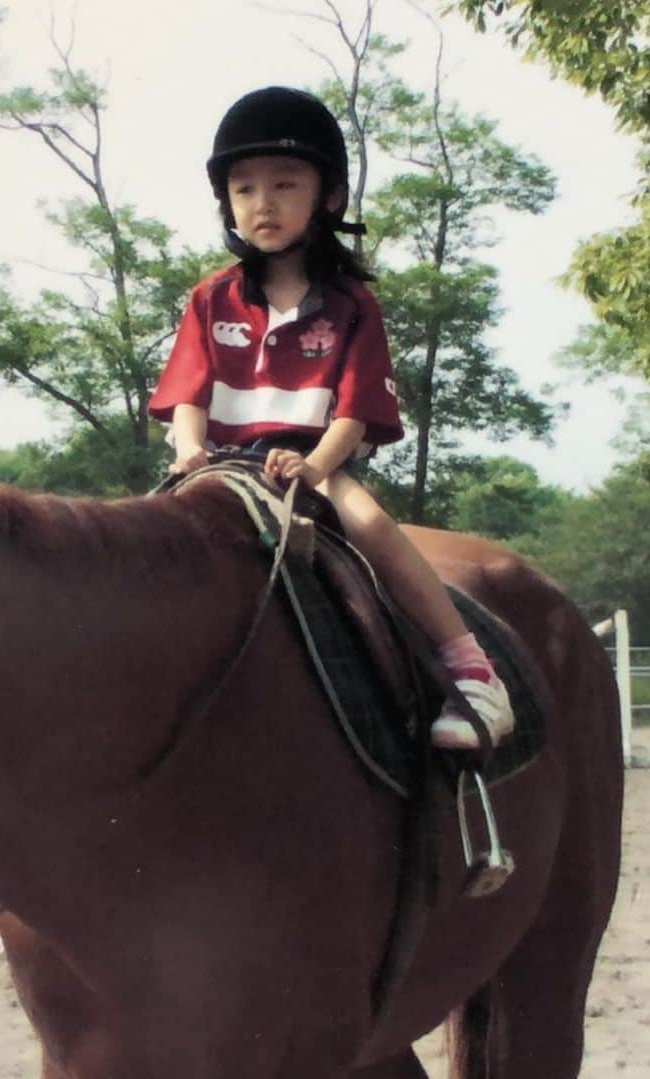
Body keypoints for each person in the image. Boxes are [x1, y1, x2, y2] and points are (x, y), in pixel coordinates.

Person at [148, 86, 514, 752]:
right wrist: (190, 451)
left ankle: (471, 669)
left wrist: (315, 467)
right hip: (220, 467)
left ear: (330, 197)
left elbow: (354, 411)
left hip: (308, 466)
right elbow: (188, 394)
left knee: (372, 522)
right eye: (244, 188)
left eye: (285, 184)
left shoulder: (351, 304)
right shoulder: (209, 297)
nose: (263, 203)